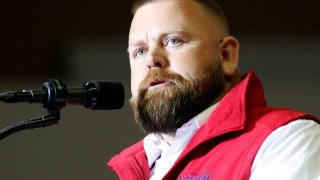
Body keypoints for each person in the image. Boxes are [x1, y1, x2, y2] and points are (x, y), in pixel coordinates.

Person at [108, 0, 320, 179]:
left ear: (226, 55)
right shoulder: (137, 165)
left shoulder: (287, 139)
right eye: (140, 51)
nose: (152, 59)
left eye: (173, 41)